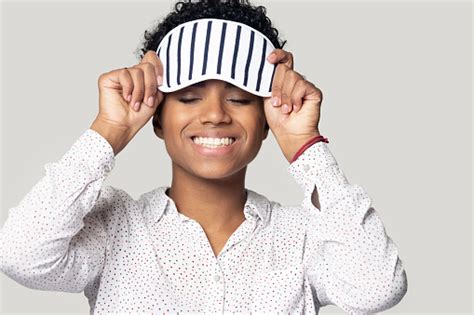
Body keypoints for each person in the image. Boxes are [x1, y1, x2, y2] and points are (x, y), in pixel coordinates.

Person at [0, 0, 408, 313]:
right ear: (156, 117)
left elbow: (376, 287)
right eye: (190, 97)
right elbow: (21, 254)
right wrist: (110, 130)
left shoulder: (301, 236)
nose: (214, 114)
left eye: (239, 98)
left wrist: (304, 143)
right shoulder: (116, 227)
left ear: (267, 119)